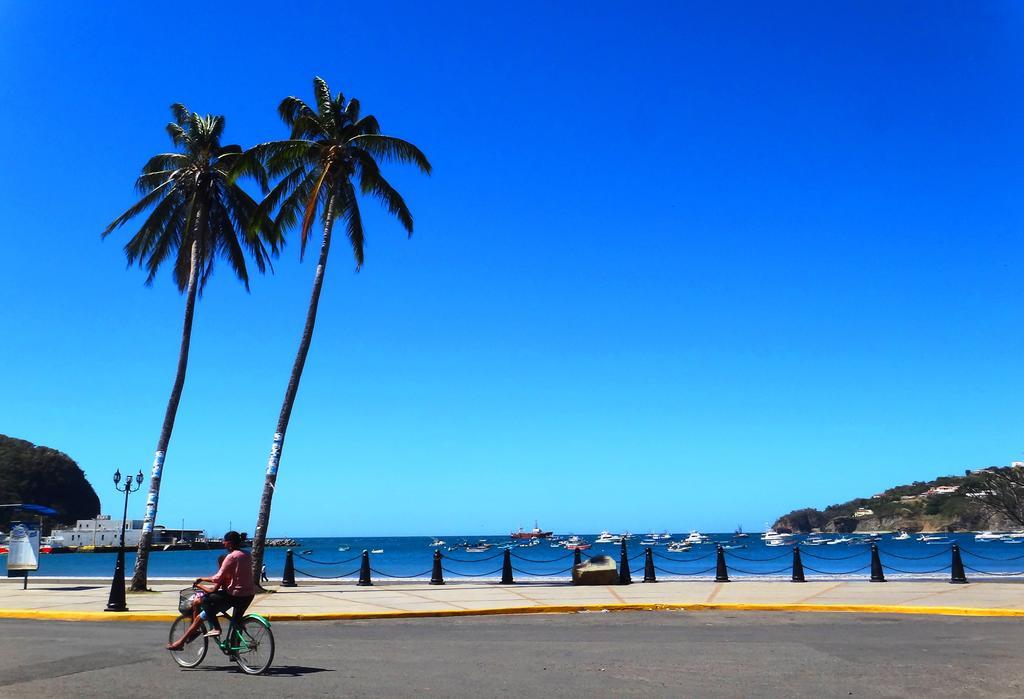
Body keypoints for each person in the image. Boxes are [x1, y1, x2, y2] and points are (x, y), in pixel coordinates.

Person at [167, 532, 254, 650]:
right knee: (237, 622)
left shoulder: (231, 557)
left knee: (205, 601)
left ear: (229, 543)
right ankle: (235, 650)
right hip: (248, 595)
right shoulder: (247, 554)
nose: (223, 543)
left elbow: (216, 579)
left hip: (235, 595)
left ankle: (216, 628)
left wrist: (201, 580)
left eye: (224, 541)